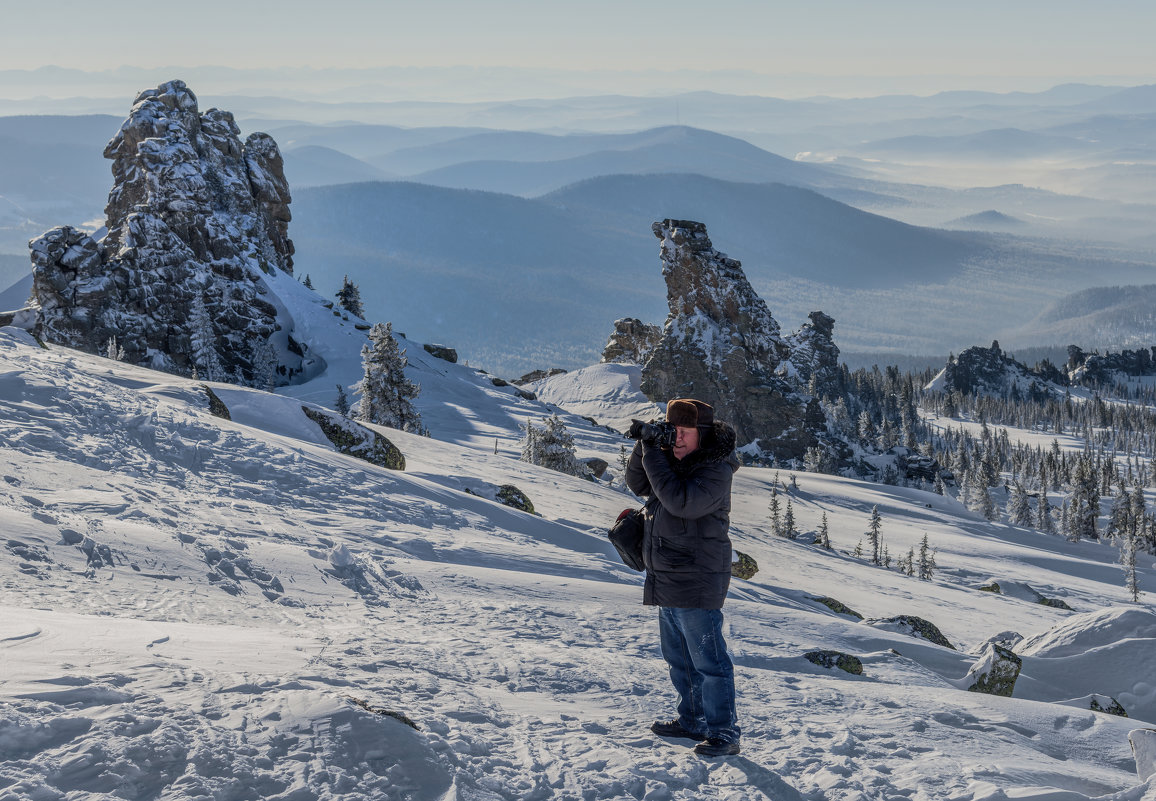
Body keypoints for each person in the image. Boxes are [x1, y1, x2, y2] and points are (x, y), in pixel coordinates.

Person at [626, 398, 741, 757]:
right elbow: (638, 483)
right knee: (680, 659)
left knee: (709, 662)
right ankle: (693, 721)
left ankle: (724, 732)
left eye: (684, 433)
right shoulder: (671, 458)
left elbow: (680, 502)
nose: (676, 439)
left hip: (698, 577)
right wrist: (644, 444)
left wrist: (656, 454)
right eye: (671, 431)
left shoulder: (716, 468)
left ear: (702, 434)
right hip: (669, 576)